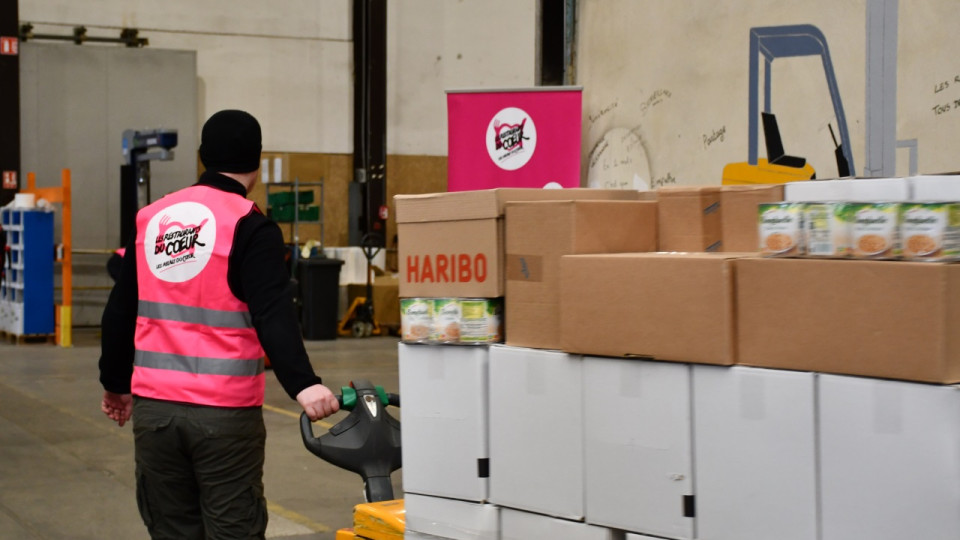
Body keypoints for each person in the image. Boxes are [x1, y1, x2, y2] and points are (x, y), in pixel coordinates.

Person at [98, 109, 339, 539]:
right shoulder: (251, 226)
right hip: (225, 416)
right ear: (258, 161)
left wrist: (115, 384)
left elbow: (120, 310)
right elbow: (273, 312)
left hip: (155, 413)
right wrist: (304, 384)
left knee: (172, 530)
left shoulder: (153, 218)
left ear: (202, 157)